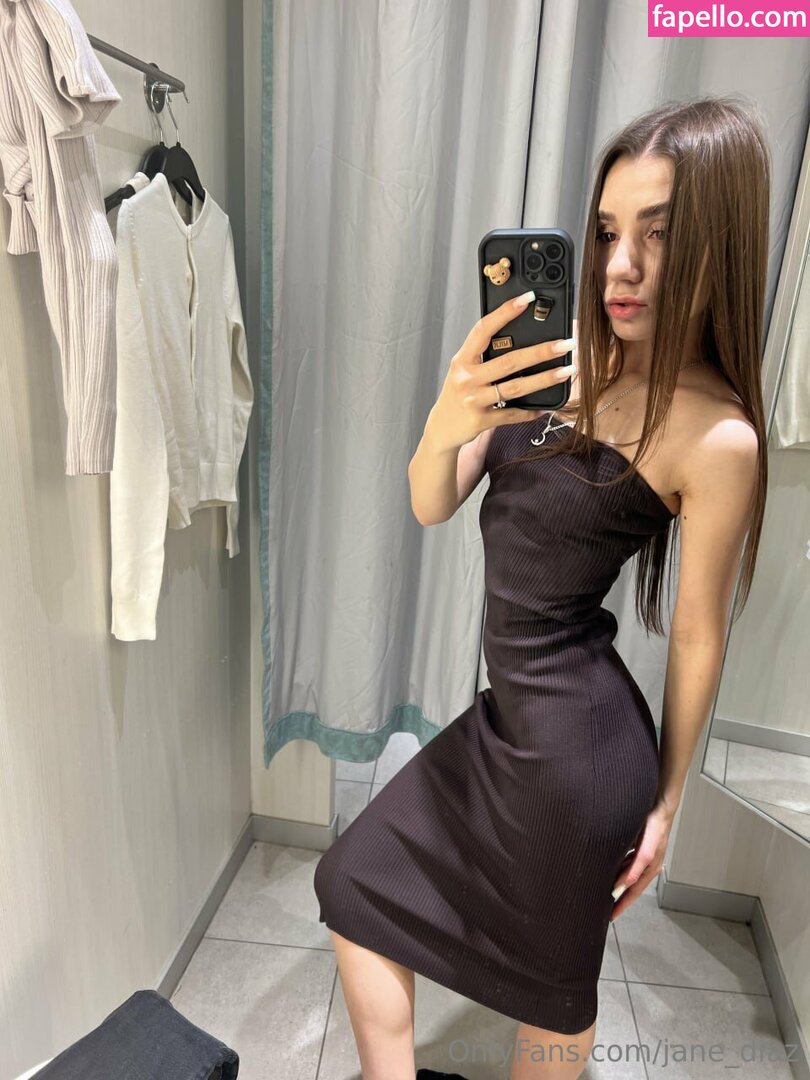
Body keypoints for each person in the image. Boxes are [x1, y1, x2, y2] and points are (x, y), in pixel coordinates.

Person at [313, 95, 769, 1080]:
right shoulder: (553, 360)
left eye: (658, 234)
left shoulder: (716, 434)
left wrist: (667, 803)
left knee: (550, 1002)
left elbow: (698, 635)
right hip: (504, 723)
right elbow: (432, 501)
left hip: (580, 760)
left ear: (715, 244)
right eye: (607, 232)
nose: (620, 266)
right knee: (355, 884)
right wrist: (445, 420)